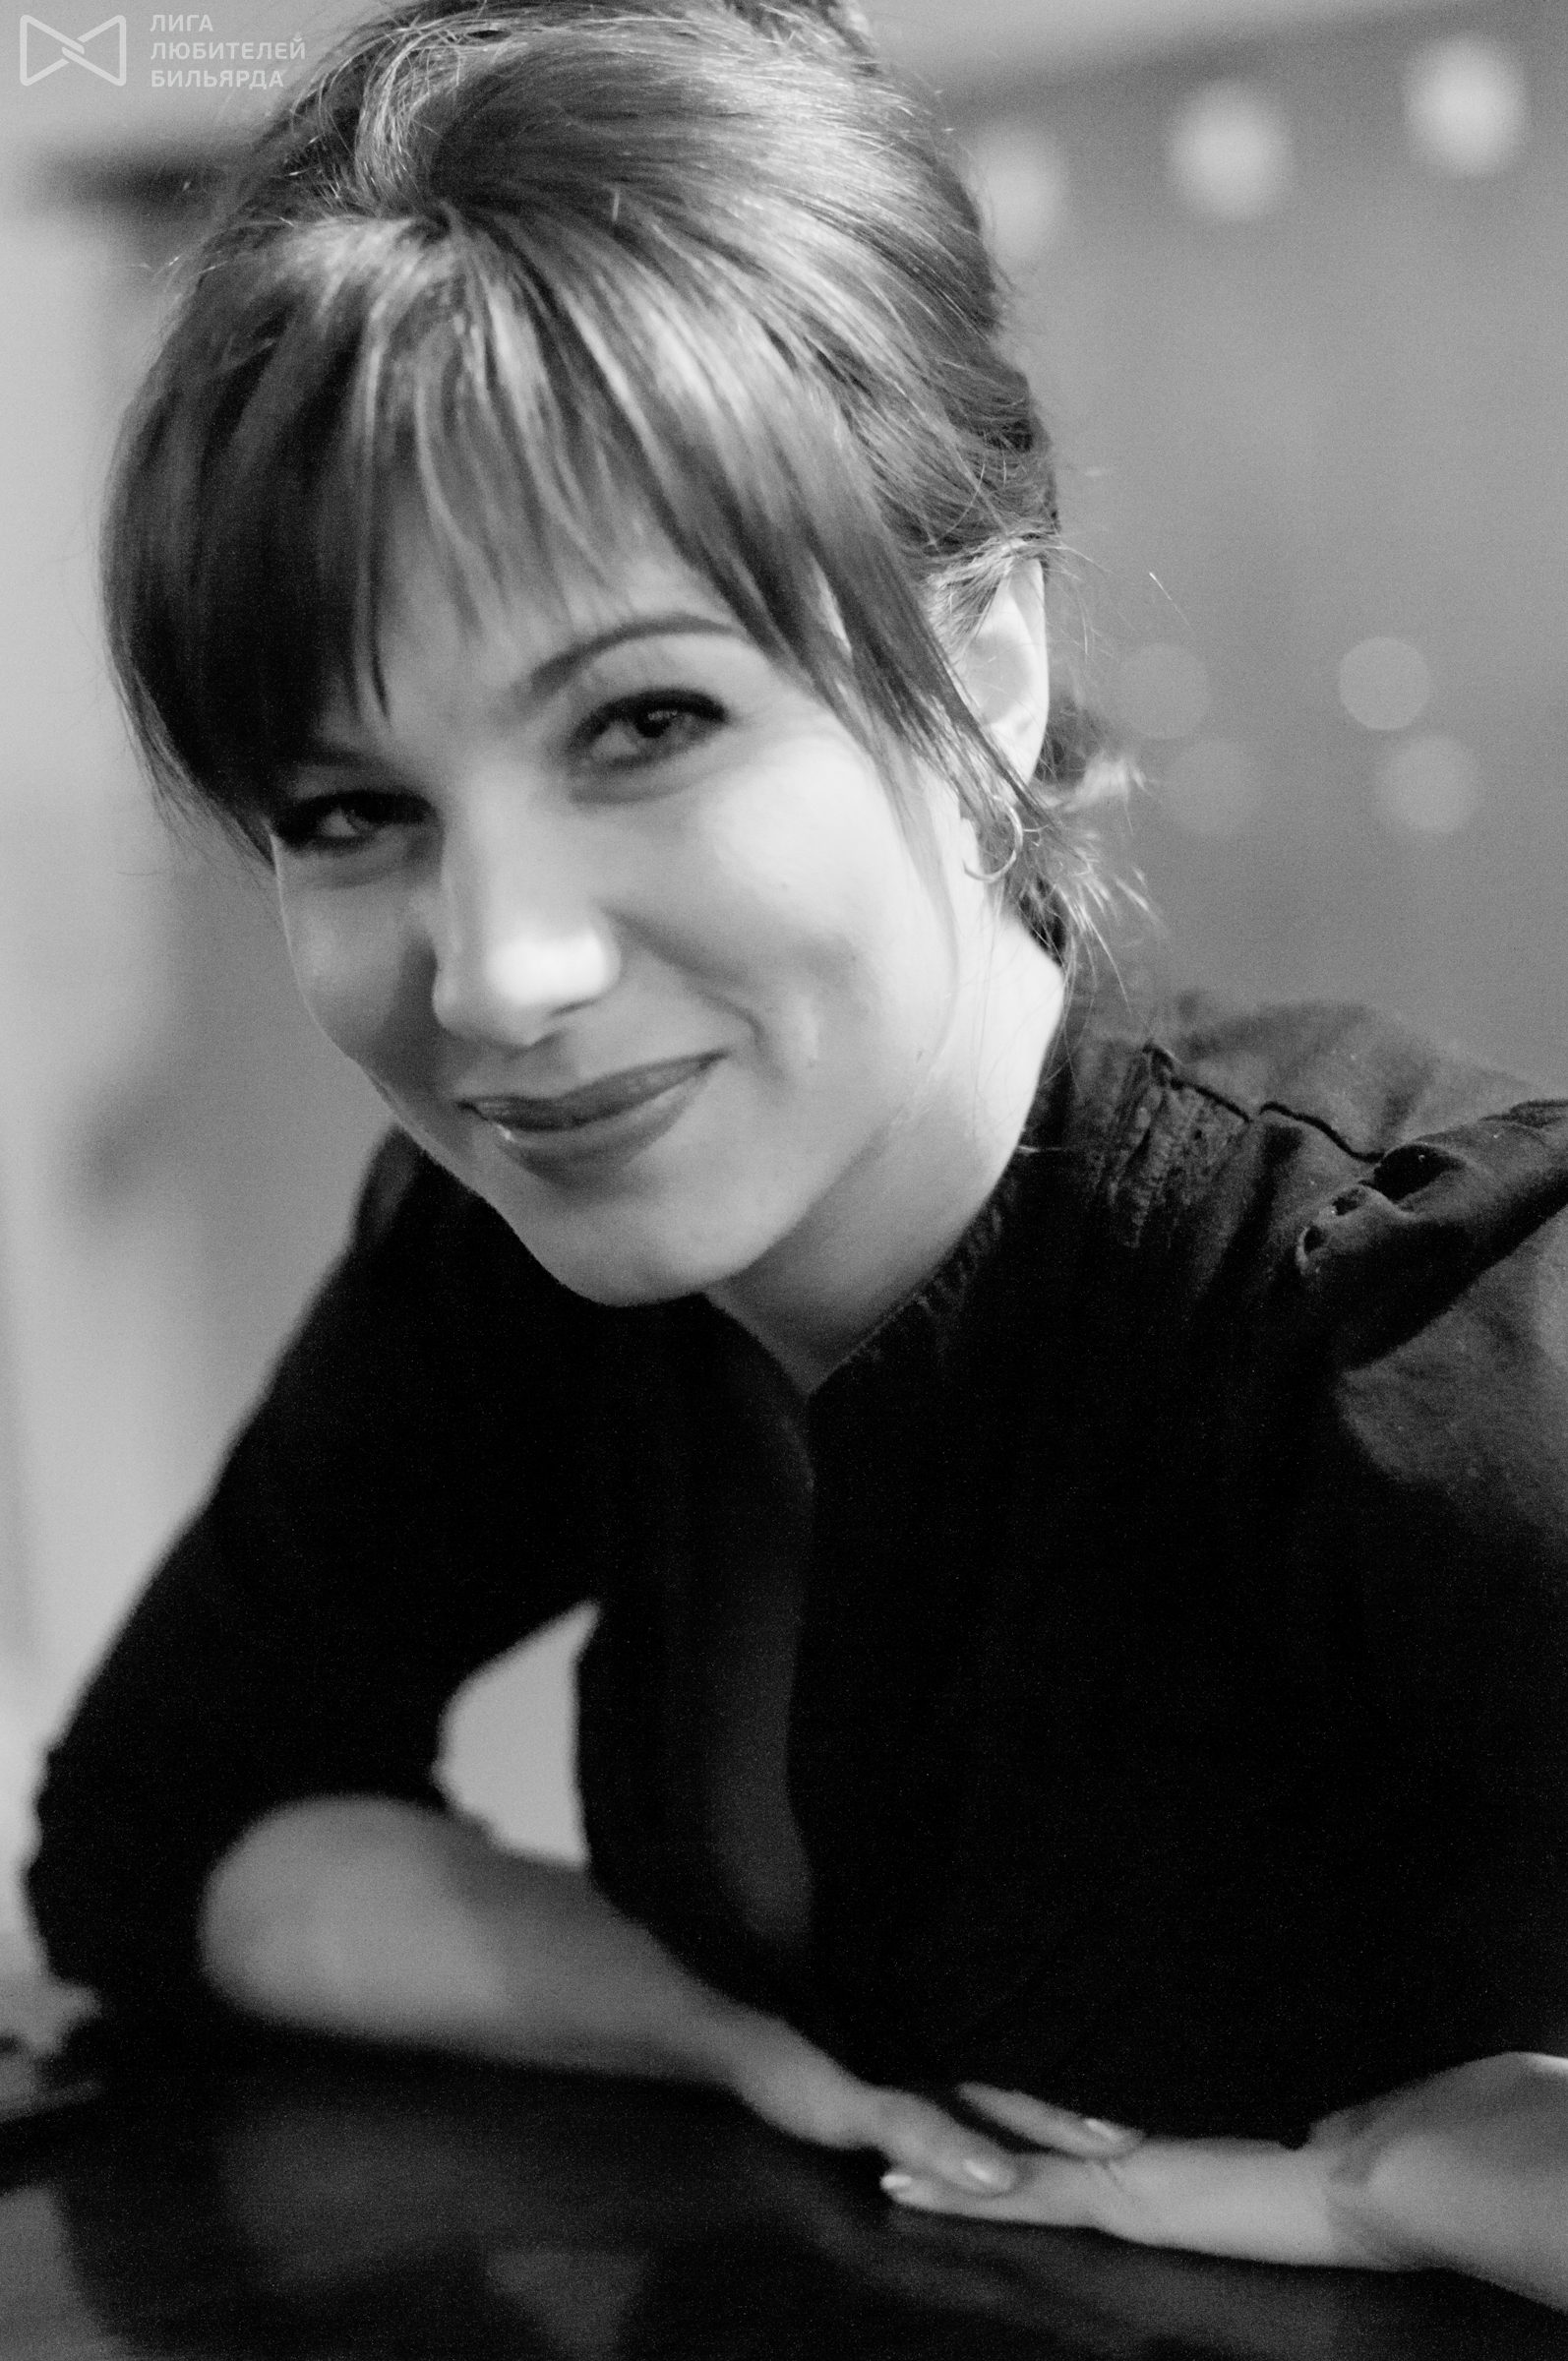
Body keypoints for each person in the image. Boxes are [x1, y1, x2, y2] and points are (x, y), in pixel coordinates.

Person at [26, 0, 1568, 2311]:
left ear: (979, 676)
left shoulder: (1416, 1331)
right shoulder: (523, 1245)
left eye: (643, 723)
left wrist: (1424, 2191)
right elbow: (169, 1825)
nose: (499, 974)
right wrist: (727, 2034)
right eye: (351, 811)